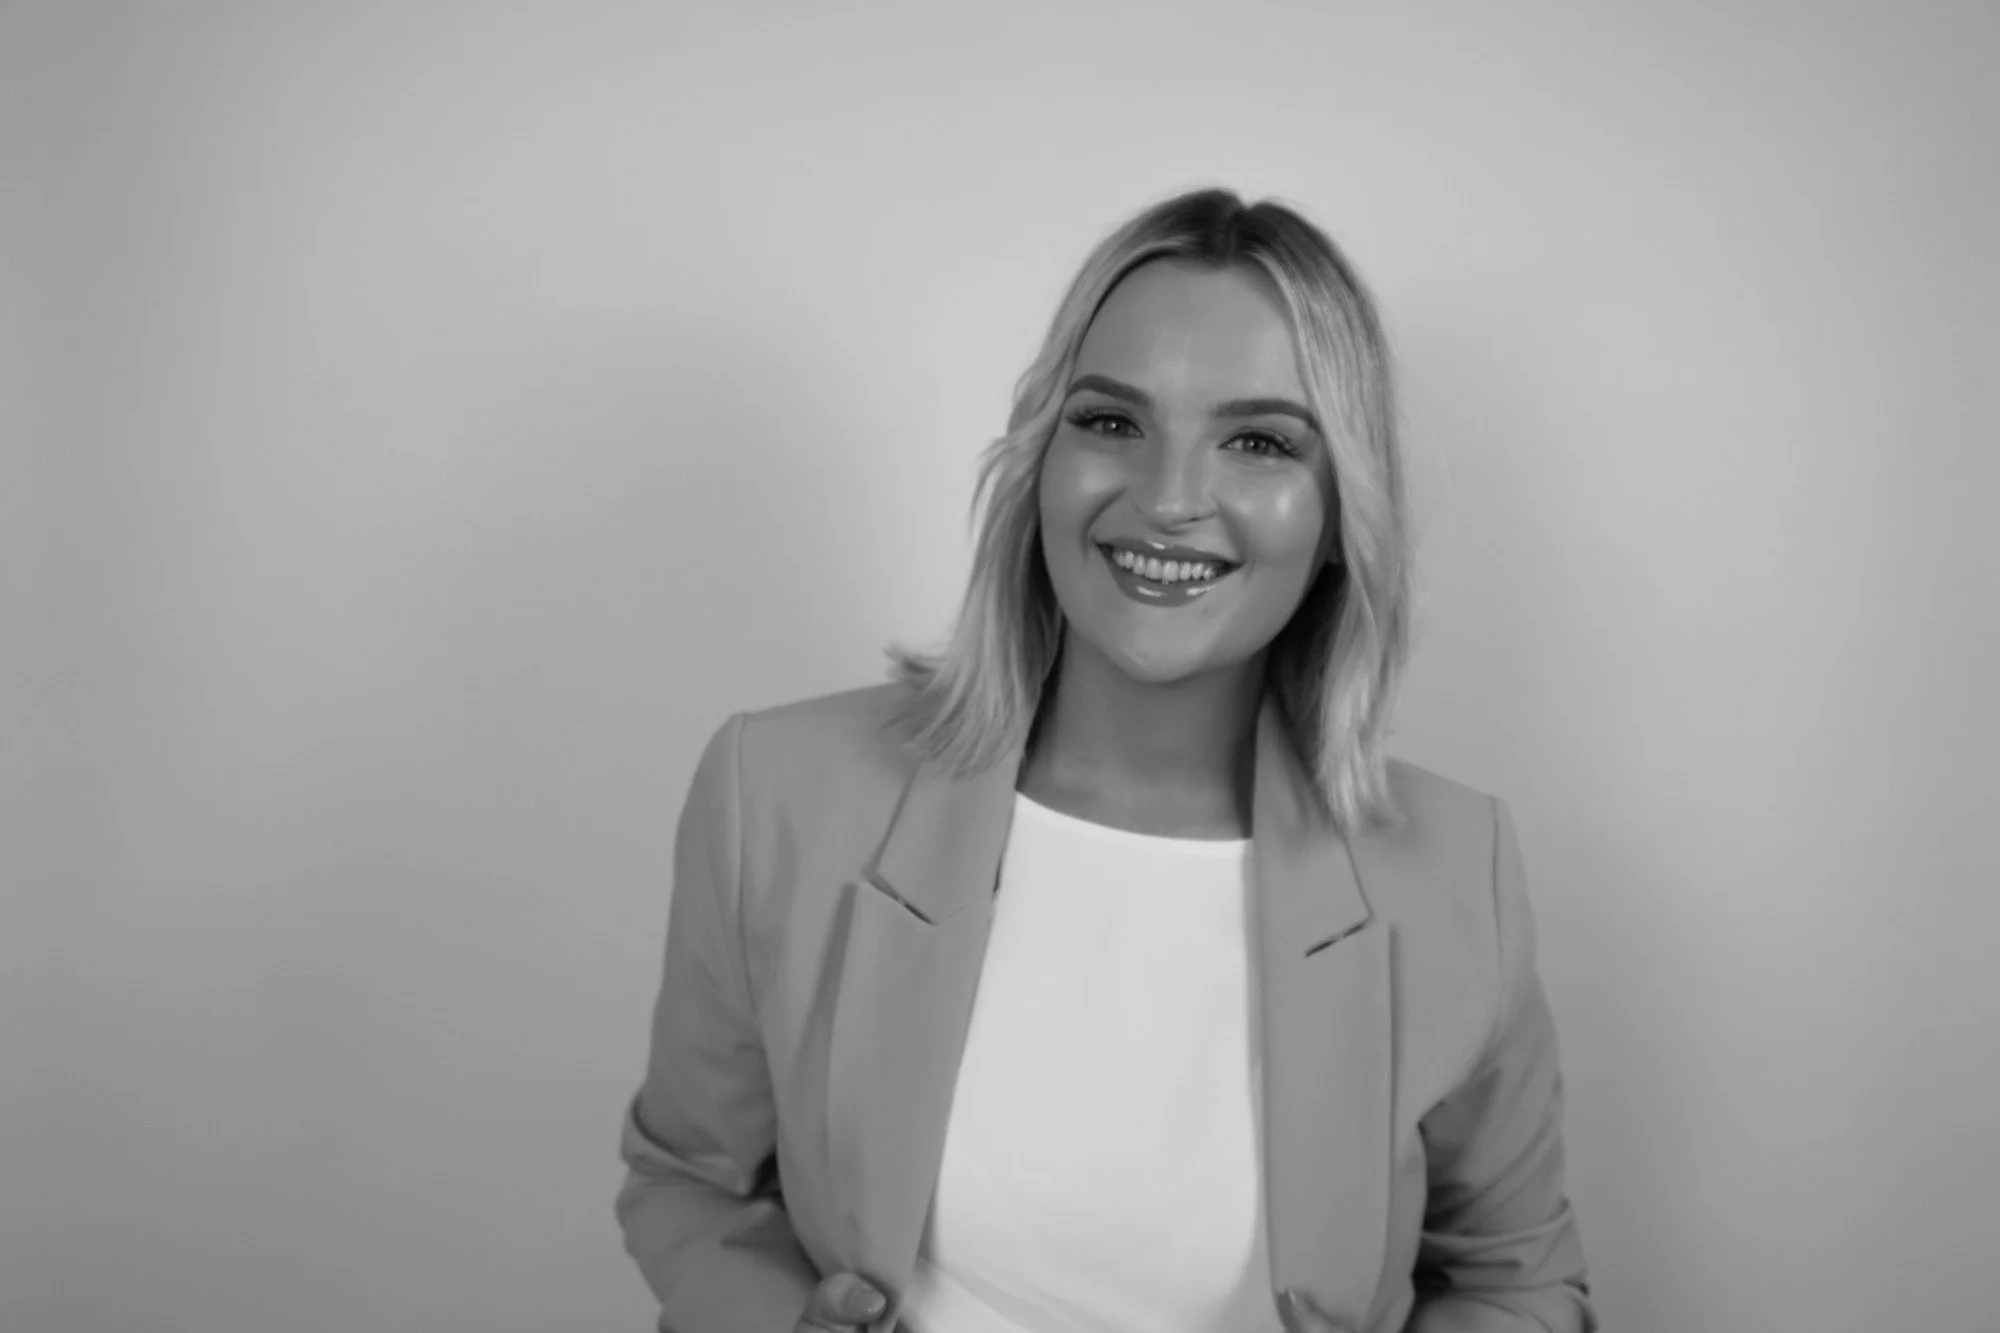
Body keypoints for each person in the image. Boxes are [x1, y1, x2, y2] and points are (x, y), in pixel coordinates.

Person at [614, 187, 1596, 1333]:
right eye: (1111, 422)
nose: (1169, 499)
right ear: (1041, 457)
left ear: (1340, 510)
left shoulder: (1454, 870)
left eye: (1259, 441)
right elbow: (688, 1180)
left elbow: (1515, 1278)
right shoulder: (777, 790)